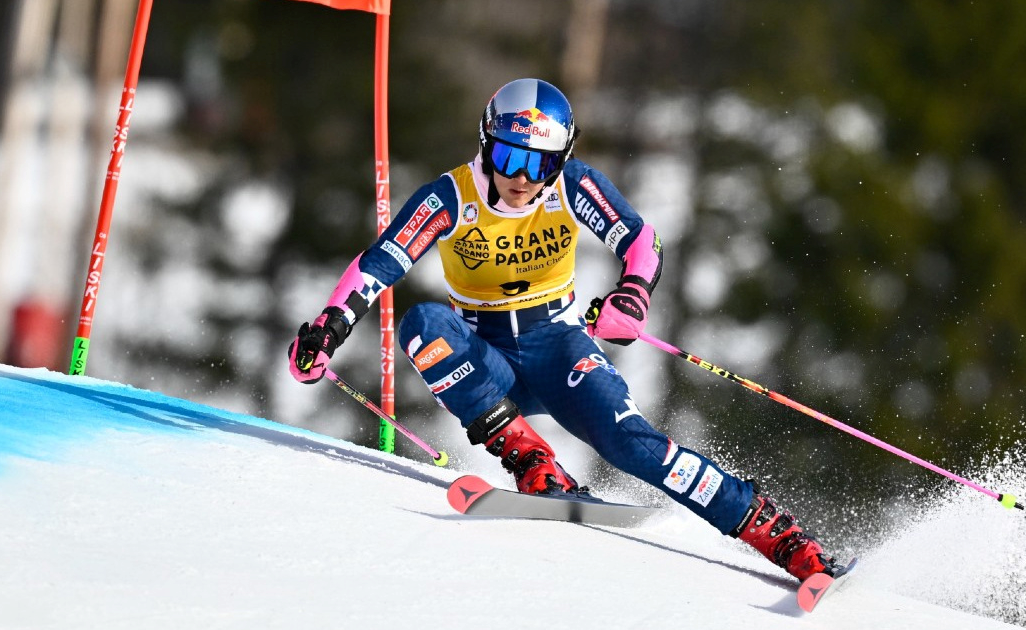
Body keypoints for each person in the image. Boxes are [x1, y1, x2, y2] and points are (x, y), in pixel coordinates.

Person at [288, 78, 847, 582]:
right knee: (423, 323)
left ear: (560, 161)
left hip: (558, 346)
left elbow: (641, 241)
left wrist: (632, 295)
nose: (519, 178)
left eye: (538, 165)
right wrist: (328, 329)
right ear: (486, 144)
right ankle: (534, 462)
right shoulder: (452, 196)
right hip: (487, 359)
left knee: (634, 445)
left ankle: (781, 538)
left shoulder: (573, 186)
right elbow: (383, 261)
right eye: (507, 156)